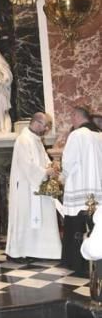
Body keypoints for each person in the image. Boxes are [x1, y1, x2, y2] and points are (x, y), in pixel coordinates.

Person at [6, 112, 61, 263]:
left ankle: (36, 250)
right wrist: (45, 172)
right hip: (25, 188)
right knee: (24, 219)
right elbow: (27, 165)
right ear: (37, 123)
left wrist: (51, 166)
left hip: (36, 185)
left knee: (39, 218)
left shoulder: (36, 140)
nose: (46, 129)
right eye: (45, 126)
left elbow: (43, 159)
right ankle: (18, 252)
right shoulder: (23, 140)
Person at [61, 106, 102, 276]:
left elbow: (68, 162)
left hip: (79, 187)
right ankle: (94, 263)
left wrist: (63, 178)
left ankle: (76, 263)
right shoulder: (100, 135)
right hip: (98, 190)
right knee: (95, 225)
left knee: (76, 226)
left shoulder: (77, 135)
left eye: (72, 117)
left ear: (77, 116)